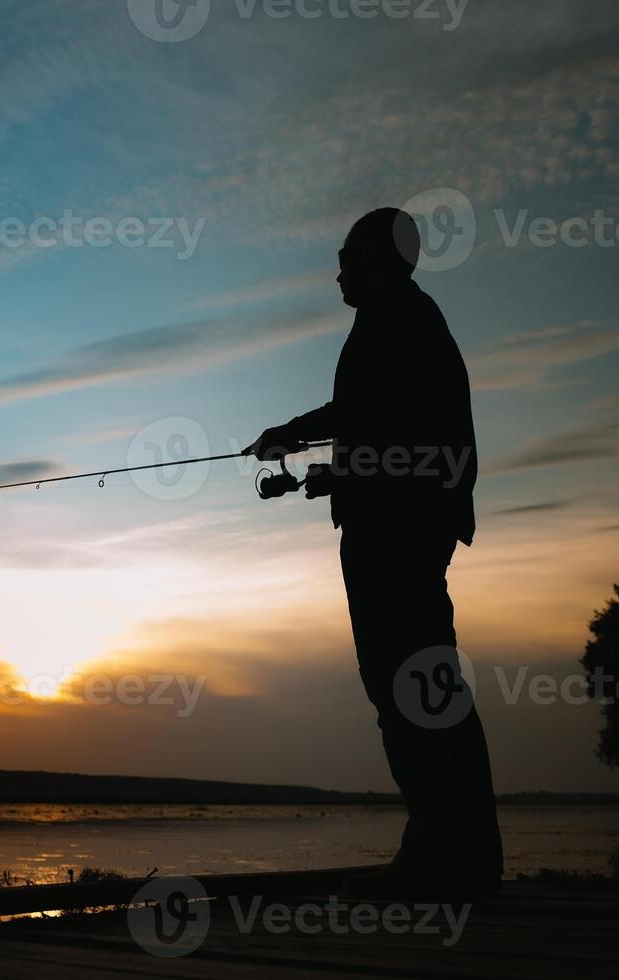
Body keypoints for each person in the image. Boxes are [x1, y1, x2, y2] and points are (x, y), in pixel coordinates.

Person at [247, 208, 503, 900]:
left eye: (346, 257)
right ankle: (457, 853)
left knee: (411, 687)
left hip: (399, 531)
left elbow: (397, 432)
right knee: (419, 685)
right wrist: (300, 441)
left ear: (379, 260)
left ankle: (444, 856)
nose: (337, 272)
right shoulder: (401, 319)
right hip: (399, 522)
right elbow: (372, 418)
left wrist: (326, 458)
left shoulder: (403, 320)